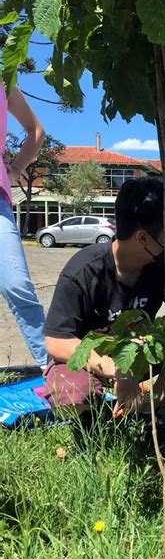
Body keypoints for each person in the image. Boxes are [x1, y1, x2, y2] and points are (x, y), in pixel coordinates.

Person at [43, 177, 165, 417]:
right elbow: (56, 341)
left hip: (139, 353)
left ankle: (149, 407)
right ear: (143, 238)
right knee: (72, 395)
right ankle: (96, 420)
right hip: (91, 360)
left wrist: (143, 346)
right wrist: (117, 370)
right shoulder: (83, 270)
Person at [0, 83, 47, 368]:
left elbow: (36, 131)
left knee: (17, 284)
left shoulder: (3, 81)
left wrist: (16, 169)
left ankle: (54, 370)